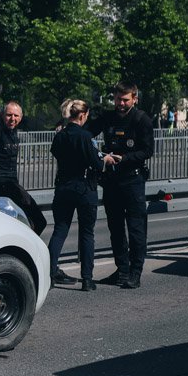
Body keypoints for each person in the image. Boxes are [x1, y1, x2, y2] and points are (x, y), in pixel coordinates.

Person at [84, 82, 154, 289]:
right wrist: (70, 126)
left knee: (135, 228)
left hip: (132, 180)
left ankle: (135, 272)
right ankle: (122, 269)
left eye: (125, 100)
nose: (121, 103)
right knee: (115, 227)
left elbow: (147, 151)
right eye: (118, 99)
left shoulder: (142, 120)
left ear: (135, 99)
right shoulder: (108, 117)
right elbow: (87, 132)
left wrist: (123, 158)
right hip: (112, 181)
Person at [48, 99, 103, 292]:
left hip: (63, 188)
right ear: (82, 115)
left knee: (60, 230)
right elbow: (96, 163)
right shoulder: (86, 136)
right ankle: (87, 279)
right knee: (87, 233)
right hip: (85, 188)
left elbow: (57, 154)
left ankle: (50, 273)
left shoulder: (60, 136)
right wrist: (106, 159)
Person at [0, 101, 47, 235]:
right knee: (37, 221)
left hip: (10, 183)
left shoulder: (12, 130)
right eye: (9, 115)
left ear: (21, 117)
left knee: (37, 221)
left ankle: (24, 247)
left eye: (16, 116)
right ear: (3, 114)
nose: (12, 119)